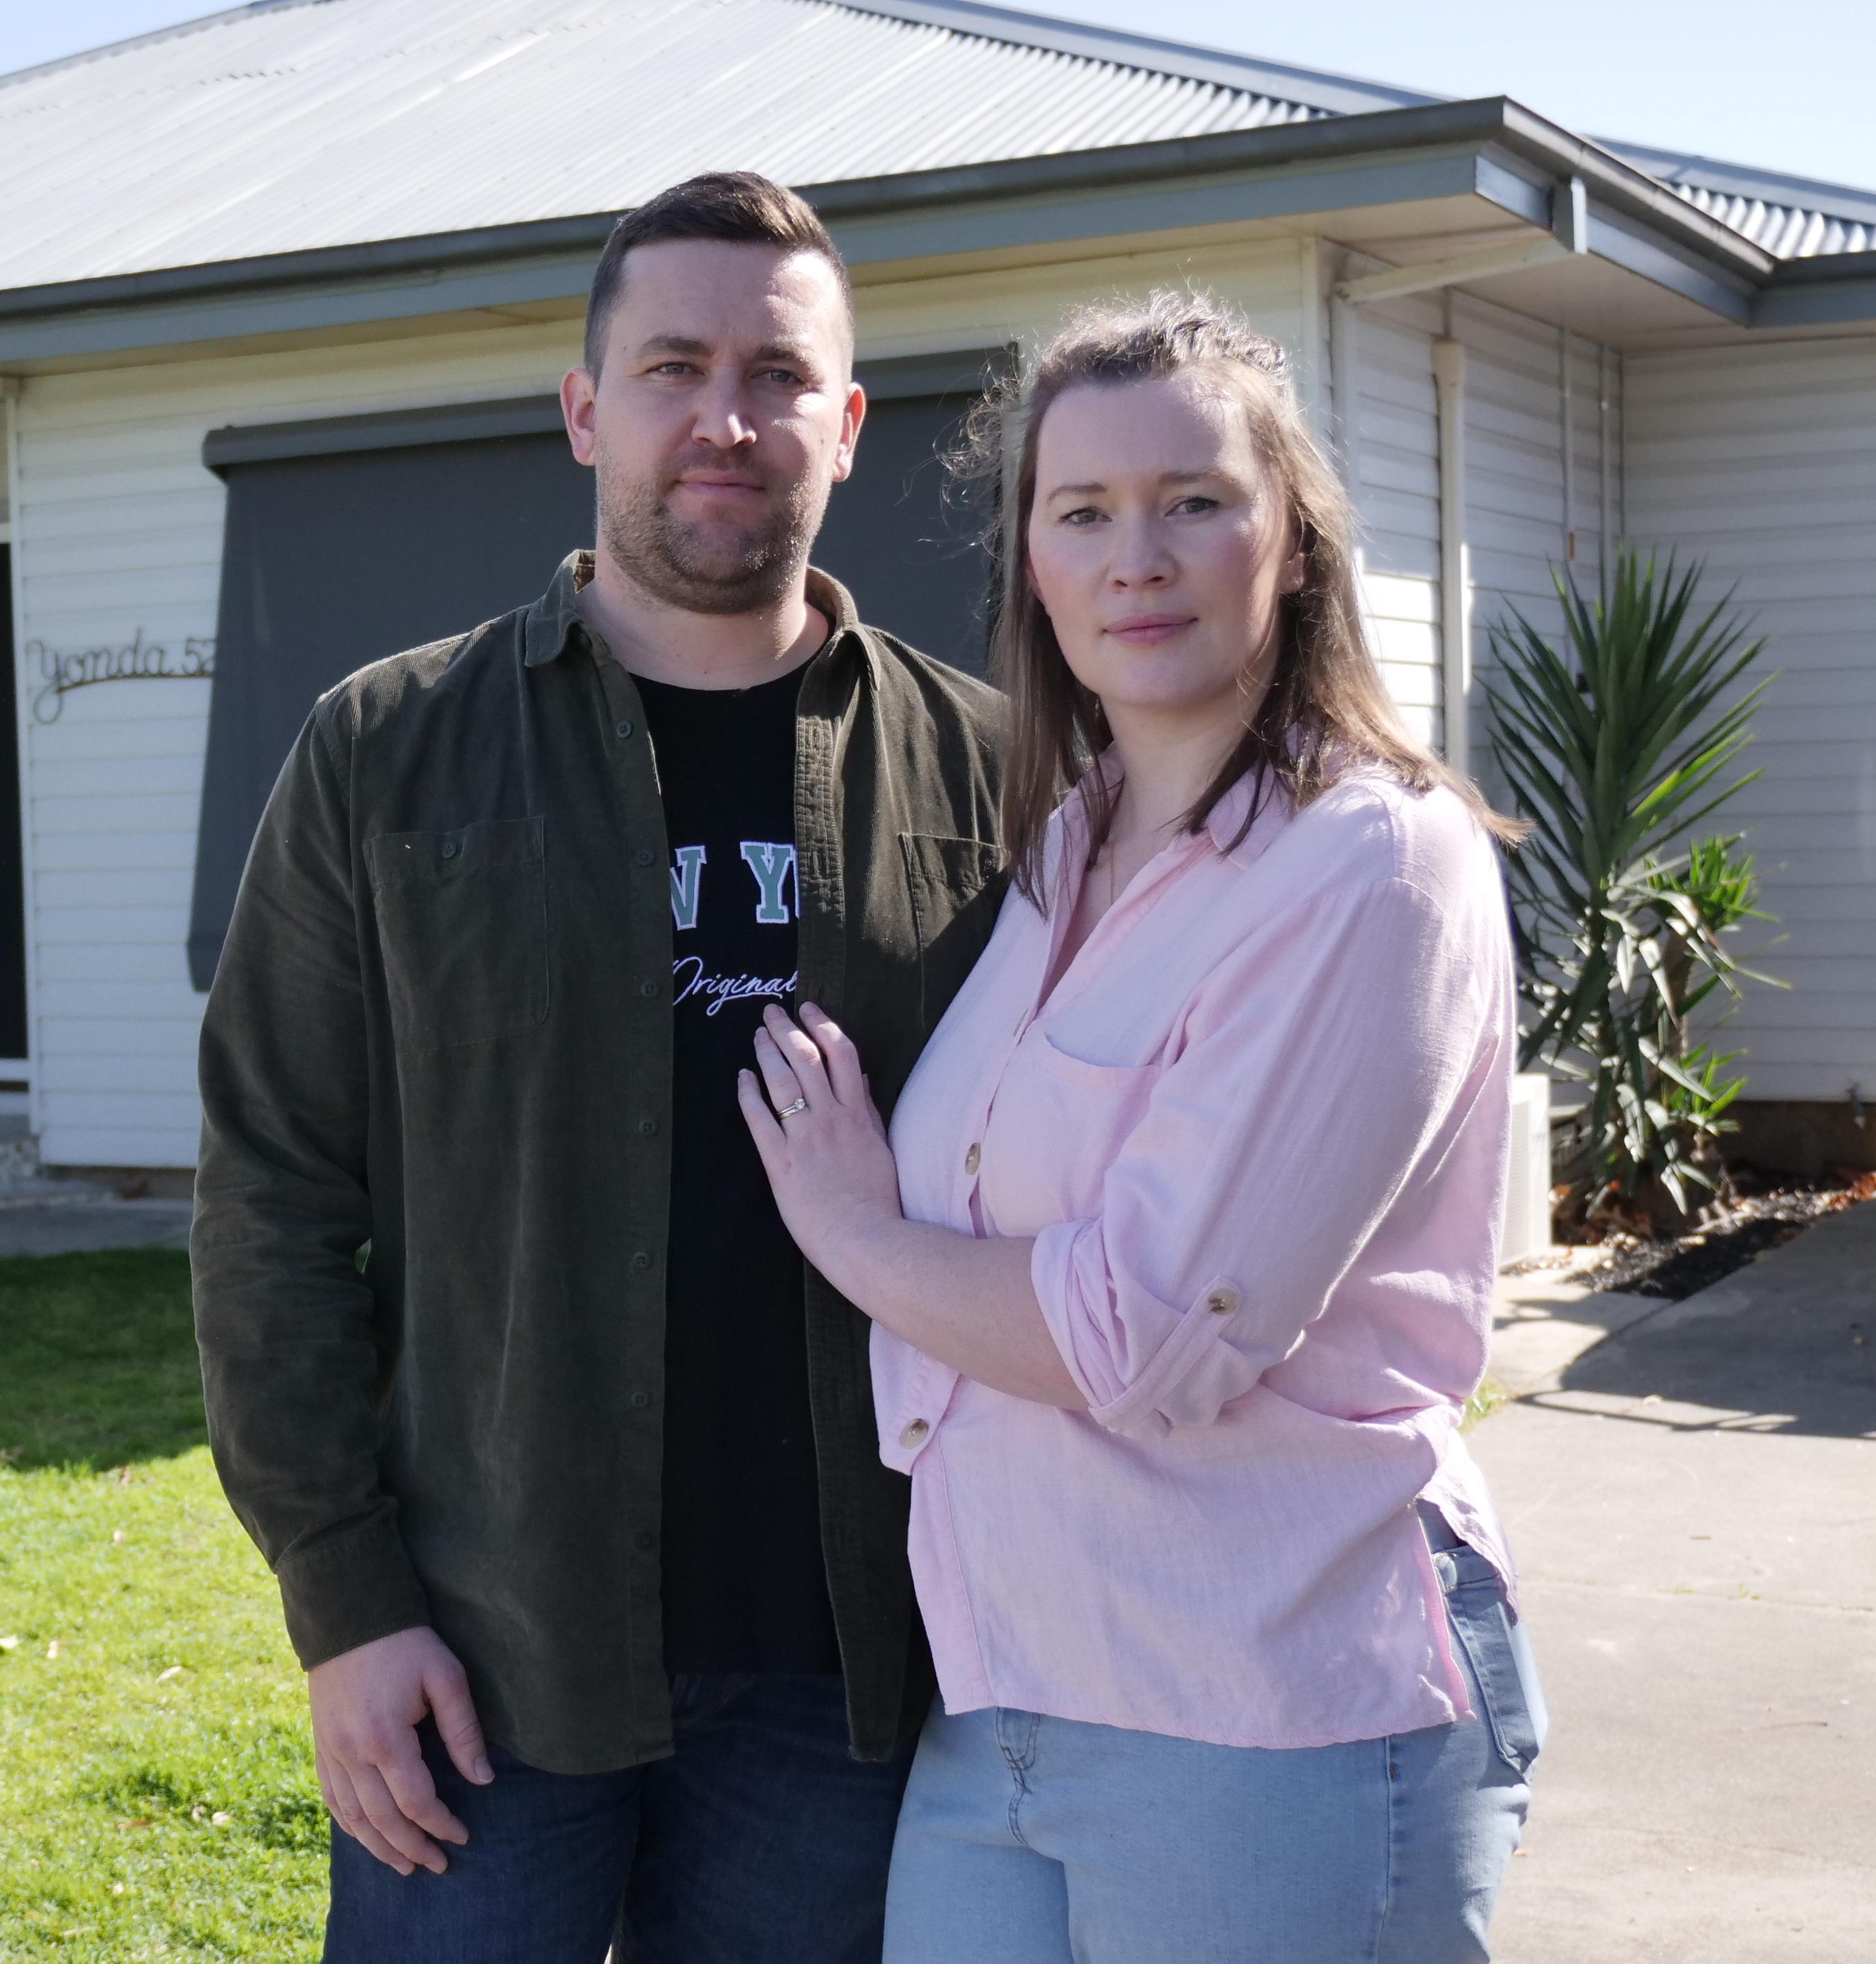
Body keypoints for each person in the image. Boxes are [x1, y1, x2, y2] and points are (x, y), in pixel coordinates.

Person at [192, 171, 1006, 1963]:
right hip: (483, 1666)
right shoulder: (386, 754)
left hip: (851, 1675)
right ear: (583, 411)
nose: (723, 420)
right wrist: (343, 1609)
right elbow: (269, 1197)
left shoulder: (989, 777)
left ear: (849, 425)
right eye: (668, 368)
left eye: (778, 375)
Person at [737, 291, 1544, 1963]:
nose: (1138, 557)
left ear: (1294, 542)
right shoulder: (1054, 854)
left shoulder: (1368, 864)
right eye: (1083, 512)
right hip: (1005, 1694)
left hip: (1266, 1704)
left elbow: (1153, 1329)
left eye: (1195, 501)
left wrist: (848, 1230)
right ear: (1031, 562)